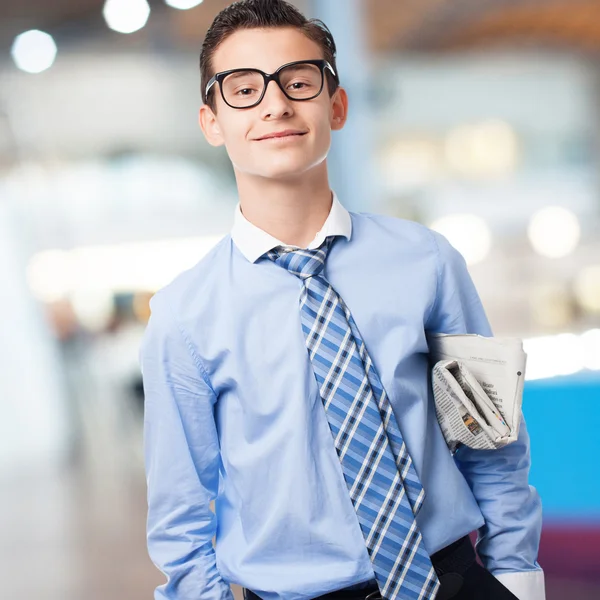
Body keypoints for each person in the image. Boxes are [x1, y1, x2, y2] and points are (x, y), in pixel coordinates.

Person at [139, 1, 544, 599]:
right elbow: (180, 514)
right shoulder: (183, 316)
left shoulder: (429, 261)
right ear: (211, 121)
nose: (276, 105)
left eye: (298, 82)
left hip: (456, 581)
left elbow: (489, 438)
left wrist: (515, 575)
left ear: (337, 104)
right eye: (244, 89)